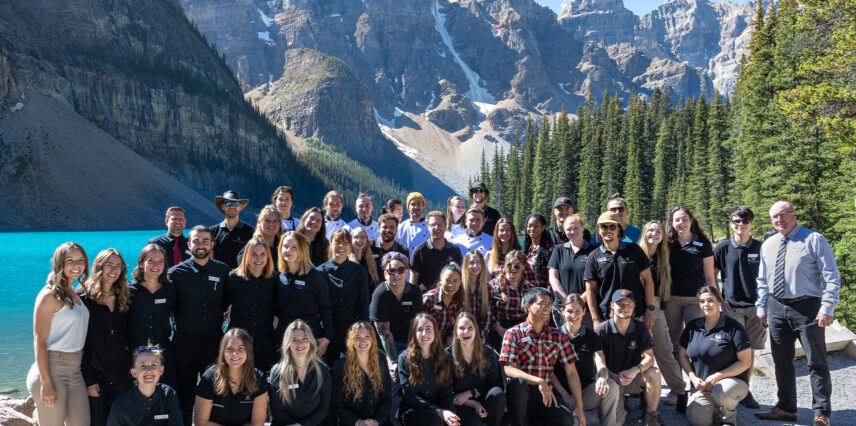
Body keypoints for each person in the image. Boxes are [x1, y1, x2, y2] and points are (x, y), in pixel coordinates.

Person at [754, 201, 841, 426]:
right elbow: (762, 279)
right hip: (776, 307)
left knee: (816, 362)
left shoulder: (814, 239)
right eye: (775, 217)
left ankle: (821, 413)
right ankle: (786, 408)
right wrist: (761, 307)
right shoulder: (768, 244)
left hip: (807, 307)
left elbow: (831, 275)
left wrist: (827, 308)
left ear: (794, 215)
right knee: (781, 360)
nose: (779, 220)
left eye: (784, 215)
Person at [167, 225, 231, 425]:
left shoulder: (223, 270)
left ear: (212, 244)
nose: (201, 245)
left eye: (205, 241)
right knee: (184, 398)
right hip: (183, 344)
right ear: (189, 245)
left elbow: (228, 301)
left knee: (215, 395)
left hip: (213, 342)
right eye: (196, 241)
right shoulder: (175, 273)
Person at [500, 287, 586, 426]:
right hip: (520, 395)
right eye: (542, 303)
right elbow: (508, 369)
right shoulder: (514, 333)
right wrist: (539, 381)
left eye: (549, 304)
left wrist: (579, 407)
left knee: (565, 420)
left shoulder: (558, 336)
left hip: (545, 395)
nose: (547, 307)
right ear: (528, 306)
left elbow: (571, 372)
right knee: (519, 384)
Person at [27, 242, 91, 426]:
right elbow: (40, 341)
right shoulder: (48, 295)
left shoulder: (74, 293)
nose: (76, 265)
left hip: (75, 370)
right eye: (69, 260)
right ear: (59, 263)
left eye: (80, 260)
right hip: (52, 370)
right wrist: (46, 383)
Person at [712, 206, 765, 409]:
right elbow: (711, 275)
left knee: (750, 352)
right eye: (736, 221)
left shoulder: (760, 248)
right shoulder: (722, 248)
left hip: (756, 307)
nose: (740, 225)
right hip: (732, 307)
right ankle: (727, 389)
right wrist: (719, 299)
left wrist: (765, 305)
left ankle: (745, 390)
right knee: (732, 351)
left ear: (752, 223)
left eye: (745, 221)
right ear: (730, 223)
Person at [678, 286, 752, 426]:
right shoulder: (692, 327)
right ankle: (715, 406)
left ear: (719, 302)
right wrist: (693, 378)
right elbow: (682, 355)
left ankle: (728, 418)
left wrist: (718, 376)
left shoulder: (733, 327)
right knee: (698, 421)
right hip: (703, 386)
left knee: (722, 391)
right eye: (702, 301)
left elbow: (745, 362)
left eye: (711, 300)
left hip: (731, 383)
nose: (706, 305)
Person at [637, 220, 688, 410]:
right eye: (650, 230)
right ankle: (643, 393)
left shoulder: (664, 256)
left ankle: (680, 391)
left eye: (658, 231)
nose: (654, 234)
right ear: (644, 233)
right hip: (636, 307)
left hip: (657, 306)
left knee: (665, 350)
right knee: (640, 355)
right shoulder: (636, 254)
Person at [552, 294, 622, 426]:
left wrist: (602, 377)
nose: (574, 315)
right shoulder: (554, 336)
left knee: (612, 386)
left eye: (578, 311)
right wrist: (565, 394)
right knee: (575, 422)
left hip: (585, 393)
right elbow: (549, 372)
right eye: (569, 311)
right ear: (562, 311)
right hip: (562, 394)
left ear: (584, 312)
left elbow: (601, 363)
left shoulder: (592, 336)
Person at [596, 290, 664, 426]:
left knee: (654, 373)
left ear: (634, 307)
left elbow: (649, 358)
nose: (625, 308)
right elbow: (598, 364)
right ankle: (619, 406)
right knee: (617, 423)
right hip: (611, 381)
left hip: (632, 378)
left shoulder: (641, 328)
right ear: (612, 305)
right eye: (620, 304)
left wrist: (634, 371)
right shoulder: (601, 330)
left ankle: (651, 416)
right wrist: (615, 377)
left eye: (629, 304)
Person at [81, 248, 131, 426]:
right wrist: (89, 381)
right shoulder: (83, 297)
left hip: (120, 376)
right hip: (96, 377)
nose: (114, 270)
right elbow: (81, 345)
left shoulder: (124, 296)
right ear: (98, 267)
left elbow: (127, 336)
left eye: (118, 266)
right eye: (109, 265)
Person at [584, 212, 656, 331]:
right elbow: (590, 290)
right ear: (598, 230)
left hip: (636, 314)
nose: (608, 230)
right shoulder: (594, 256)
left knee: (641, 349)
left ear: (618, 228)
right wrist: (595, 319)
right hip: (607, 316)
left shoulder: (634, 250)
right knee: (608, 350)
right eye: (604, 227)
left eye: (612, 226)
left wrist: (650, 310)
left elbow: (648, 280)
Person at [665, 206, 716, 362]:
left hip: (695, 299)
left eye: (685, 219)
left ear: (691, 221)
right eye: (677, 220)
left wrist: (714, 297)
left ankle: (697, 381)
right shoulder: (667, 243)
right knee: (674, 341)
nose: (682, 222)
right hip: (672, 298)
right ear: (672, 223)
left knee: (695, 339)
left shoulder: (702, 243)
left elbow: (709, 275)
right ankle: (679, 384)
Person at [274, 231, 333, 358]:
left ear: (302, 250)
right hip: (284, 337)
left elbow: (326, 308)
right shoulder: (279, 278)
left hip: (310, 336)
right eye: (285, 246)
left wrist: (327, 337)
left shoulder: (315, 276)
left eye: (294, 247)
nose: (288, 250)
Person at [317, 228, 371, 365]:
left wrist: (362, 334)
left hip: (352, 328)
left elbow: (363, 305)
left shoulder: (359, 272)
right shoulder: (319, 272)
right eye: (337, 242)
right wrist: (325, 335)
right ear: (331, 243)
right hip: (327, 329)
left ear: (350, 246)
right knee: (326, 368)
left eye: (345, 243)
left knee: (355, 368)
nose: (341, 246)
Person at [128, 245, 178, 389]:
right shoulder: (129, 290)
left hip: (163, 352)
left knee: (164, 394)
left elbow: (178, 314)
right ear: (141, 263)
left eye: (160, 261)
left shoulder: (170, 290)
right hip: (135, 352)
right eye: (151, 260)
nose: (156, 265)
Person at [194, 329, 268, 426]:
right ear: (223, 352)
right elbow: (201, 423)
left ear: (248, 351)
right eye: (230, 349)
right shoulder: (209, 378)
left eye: (241, 348)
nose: (234, 354)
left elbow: (257, 424)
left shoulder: (258, 379)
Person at [397, 313, 459, 426]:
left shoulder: (445, 357)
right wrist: (439, 412)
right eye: (420, 329)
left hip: (440, 409)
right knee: (434, 421)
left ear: (435, 332)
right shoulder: (404, 358)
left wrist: (450, 413)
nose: (424, 334)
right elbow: (410, 396)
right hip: (413, 410)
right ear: (414, 334)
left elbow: (447, 392)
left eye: (428, 329)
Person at [227, 237, 278, 373]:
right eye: (253, 254)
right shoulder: (233, 278)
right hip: (238, 343)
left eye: (263, 254)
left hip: (265, 342)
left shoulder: (273, 279)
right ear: (246, 255)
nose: (258, 259)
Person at [268, 320, 332, 426]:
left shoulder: (322, 370)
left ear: (310, 341)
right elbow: (277, 411)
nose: (300, 344)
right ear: (287, 343)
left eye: (304, 339)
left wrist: (302, 425)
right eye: (294, 340)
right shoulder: (277, 372)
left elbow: (324, 409)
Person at [447, 312, 505, 426]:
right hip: (460, 403)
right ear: (456, 332)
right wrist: (473, 403)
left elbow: (495, 385)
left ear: (476, 331)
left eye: (470, 328)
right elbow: (445, 392)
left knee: (497, 394)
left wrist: (472, 393)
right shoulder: (447, 356)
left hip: (483, 398)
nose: (466, 331)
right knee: (474, 422)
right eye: (461, 328)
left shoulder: (488, 352)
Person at [331, 321, 393, 426]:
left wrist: (378, 422)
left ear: (372, 339)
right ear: (351, 341)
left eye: (367, 336)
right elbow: (337, 406)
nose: (362, 341)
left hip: (378, 422)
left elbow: (386, 398)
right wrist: (359, 422)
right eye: (357, 337)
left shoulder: (381, 360)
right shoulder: (340, 366)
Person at [370, 252, 424, 370]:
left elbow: (414, 326)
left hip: (409, 344)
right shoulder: (379, 295)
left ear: (407, 272)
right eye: (391, 271)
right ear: (385, 274)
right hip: (385, 349)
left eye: (401, 270)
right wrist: (395, 361)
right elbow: (384, 333)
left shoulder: (415, 292)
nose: (396, 274)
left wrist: (410, 354)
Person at [106, 345, 182, 426]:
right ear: (134, 372)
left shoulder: (168, 395)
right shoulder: (119, 406)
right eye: (143, 366)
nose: (149, 370)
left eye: (154, 365)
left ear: (161, 370)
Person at [548, 215, 595, 327]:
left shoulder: (593, 251)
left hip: (586, 309)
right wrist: (566, 301)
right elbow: (553, 277)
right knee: (562, 342)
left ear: (583, 228)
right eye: (568, 229)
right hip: (562, 309)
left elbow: (596, 281)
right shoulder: (558, 250)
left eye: (576, 228)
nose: (572, 231)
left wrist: (578, 302)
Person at [488, 251, 533, 349]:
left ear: (523, 267)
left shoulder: (529, 288)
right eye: (509, 265)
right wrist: (499, 329)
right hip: (499, 330)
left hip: (523, 331)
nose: (513, 268)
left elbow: (533, 315)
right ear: (504, 266)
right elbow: (487, 313)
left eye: (517, 266)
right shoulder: (493, 286)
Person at [411, 211, 463, 291]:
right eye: (433, 225)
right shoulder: (419, 251)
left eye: (440, 224)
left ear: (445, 226)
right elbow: (413, 279)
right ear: (428, 227)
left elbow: (460, 276)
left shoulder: (455, 250)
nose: (437, 227)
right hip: (426, 298)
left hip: (449, 297)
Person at [422, 263, 468, 346]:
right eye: (447, 280)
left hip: (444, 347)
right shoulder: (428, 299)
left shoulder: (458, 304)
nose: (451, 285)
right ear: (441, 280)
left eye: (455, 281)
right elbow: (417, 326)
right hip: (425, 344)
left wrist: (446, 351)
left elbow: (452, 331)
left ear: (460, 282)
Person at [210, 190, 255, 269]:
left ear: (240, 207)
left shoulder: (250, 232)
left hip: (240, 278)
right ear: (223, 207)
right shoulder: (212, 231)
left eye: (235, 203)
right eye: (227, 203)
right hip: (218, 278)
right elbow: (210, 258)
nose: (231, 206)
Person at [237, 205, 282, 270]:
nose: (271, 224)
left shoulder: (284, 246)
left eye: (275, 221)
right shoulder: (253, 245)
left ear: (280, 224)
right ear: (260, 223)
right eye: (267, 220)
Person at [461, 251, 491, 341]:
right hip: (461, 334)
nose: (475, 266)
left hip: (480, 335)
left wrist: (482, 338)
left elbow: (487, 317)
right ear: (466, 265)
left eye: (478, 262)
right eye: (471, 263)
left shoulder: (487, 288)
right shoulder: (459, 287)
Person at [395, 192, 430, 259]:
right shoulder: (400, 228)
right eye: (412, 204)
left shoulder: (430, 227)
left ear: (423, 206)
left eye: (419, 204)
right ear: (408, 207)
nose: (416, 207)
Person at [522, 213, 553, 288]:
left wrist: (548, 296)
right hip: (526, 294)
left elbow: (552, 278)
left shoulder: (549, 249)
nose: (532, 229)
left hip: (542, 294)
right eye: (529, 226)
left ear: (543, 228)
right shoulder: (525, 250)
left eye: (536, 226)